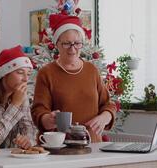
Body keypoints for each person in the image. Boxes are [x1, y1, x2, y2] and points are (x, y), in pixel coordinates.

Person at [31, 14, 117, 142]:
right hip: (60, 147)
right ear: (57, 44)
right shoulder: (47, 73)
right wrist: (47, 120)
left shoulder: (91, 71)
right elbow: (38, 110)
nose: (72, 49)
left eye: (77, 43)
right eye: (67, 44)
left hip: (92, 146)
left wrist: (105, 117)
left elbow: (108, 105)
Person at [0, 45, 37, 149]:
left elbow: (30, 130)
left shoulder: (22, 97)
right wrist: (15, 105)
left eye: (28, 74)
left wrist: (27, 140)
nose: (26, 79)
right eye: (20, 73)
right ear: (4, 73)